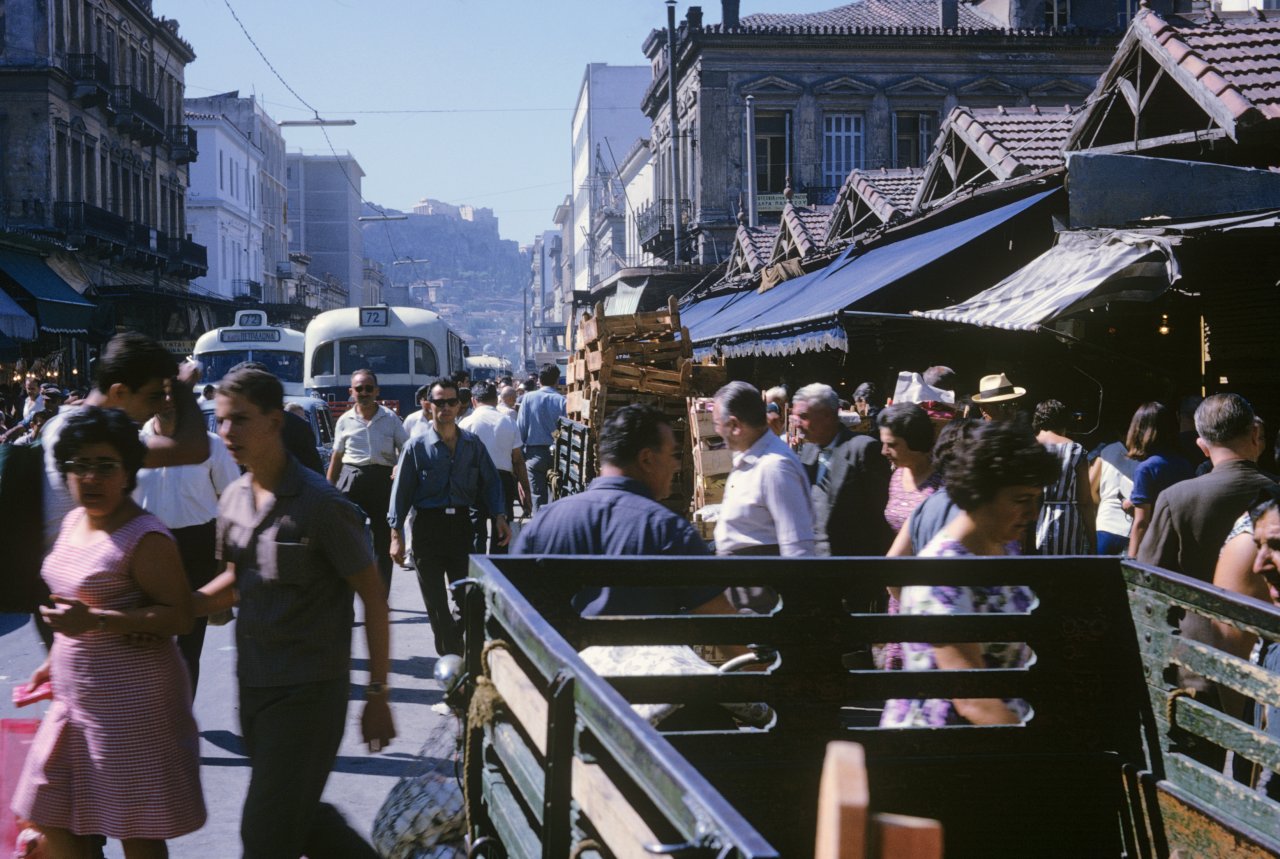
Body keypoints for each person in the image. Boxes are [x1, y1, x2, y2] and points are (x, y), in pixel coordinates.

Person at [196, 366, 394, 859]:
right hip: (255, 690)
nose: (227, 432)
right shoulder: (235, 498)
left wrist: (377, 693)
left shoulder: (321, 504)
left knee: (264, 835)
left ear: (274, 422)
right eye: (221, 420)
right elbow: (235, 582)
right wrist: (180, 605)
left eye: (240, 419)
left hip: (309, 694)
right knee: (298, 817)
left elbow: (373, 596)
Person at [13, 408, 205, 856]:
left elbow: (180, 617)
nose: (90, 477)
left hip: (132, 708)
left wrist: (100, 621)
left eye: (104, 465)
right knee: (46, 811)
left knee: (136, 830)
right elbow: (72, 604)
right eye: (80, 465)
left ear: (128, 471)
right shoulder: (73, 522)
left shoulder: (145, 537)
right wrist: (53, 661)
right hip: (75, 700)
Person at [881, 421, 1058, 728]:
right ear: (980, 494)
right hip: (943, 744)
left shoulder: (1002, 549)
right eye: (1021, 500)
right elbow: (973, 700)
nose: (1033, 514)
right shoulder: (942, 577)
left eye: (1035, 499)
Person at [513, 404, 730, 614]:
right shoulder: (669, 531)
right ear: (646, 459)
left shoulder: (544, 522)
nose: (676, 465)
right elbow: (721, 620)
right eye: (672, 455)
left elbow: (512, 605)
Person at [42, 332, 209, 551]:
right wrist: (181, 388)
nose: (161, 406)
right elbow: (194, 449)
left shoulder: (62, 422)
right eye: (154, 396)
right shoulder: (96, 434)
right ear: (119, 392)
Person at [389, 377, 510, 656]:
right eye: (439, 402)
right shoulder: (416, 447)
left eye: (451, 402)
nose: (445, 407)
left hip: (461, 528)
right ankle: (452, 658)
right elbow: (401, 492)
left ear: (459, 406)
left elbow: (491, 482)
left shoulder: (472, 445)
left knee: (467, 599)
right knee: (436, 604)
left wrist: (500, 516)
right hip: (427, 529)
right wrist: (396, 535)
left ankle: (451, 646)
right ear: (428, 405)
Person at [133, 385, 240, 694]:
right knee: (148, 641)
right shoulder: (133, 445)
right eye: (160, 394)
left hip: (197, 549)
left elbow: (233, 500)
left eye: (174, 395)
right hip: (147, 549)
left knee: (188, 646)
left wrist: (228, 561)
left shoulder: (210, 446)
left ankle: (181, 713)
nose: (168, 402)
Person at [328, 369, 408, 595]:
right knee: (348, 541)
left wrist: (398, 466)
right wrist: (327, 490)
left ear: (377, 391)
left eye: (368, 388)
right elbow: (337, 458)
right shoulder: (344, 421)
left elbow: (405, 449)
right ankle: (346, 597)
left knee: (382, 542)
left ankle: (380, 597)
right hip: (352, 481)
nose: (364, 393)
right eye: (359, 388)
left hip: (382, 482)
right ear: (351, 391)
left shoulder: (390, 418)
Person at [714, 381, 815, 558]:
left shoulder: (775, 467)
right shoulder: (750, 459)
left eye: (717, 423)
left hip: (758, 573)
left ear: (735, 425)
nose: (716, 431)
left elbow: (797, 547)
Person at [793, 383, 890, 557]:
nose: (798, 424)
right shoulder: (807, 452)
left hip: (850, 562)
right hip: (811, 559)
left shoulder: (863, 450)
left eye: (804, 416)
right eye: (796, 417)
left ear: (827, 415)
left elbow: (880, 515)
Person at [459, 380, 531, 551]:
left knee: (476, 529)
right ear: (495, 400)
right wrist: (525, 489)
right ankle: (497, 564)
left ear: (473, 400)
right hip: (503, 480)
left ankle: (476, 564)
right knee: (502, 529)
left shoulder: (465, 424)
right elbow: (518, 460)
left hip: (474, 480)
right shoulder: (508, 422)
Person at [1124, 402, 1194, 558]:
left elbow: (1142, 522)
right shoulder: (1184, 464)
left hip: (1155, 547)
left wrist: (1132, 559)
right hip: (1180, 547)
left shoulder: (1146, 469)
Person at [1032, 399, 1094, 555]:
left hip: (1034, 522)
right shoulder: (1076, 450)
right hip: (1069, 524)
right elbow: (1085, 500)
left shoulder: (1029, 447)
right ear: (1064, 423)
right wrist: (1093, 540)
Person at [878, 403, 942, 536]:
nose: (884, 451)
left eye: (892, 445)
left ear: (914, 440)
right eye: (883, 443)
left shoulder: (943, 480)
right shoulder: (897, 476)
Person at [516, 363, 566, 512]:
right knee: (556, 495)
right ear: (557, 380)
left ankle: (539, 523)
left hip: (534, 456)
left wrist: (520, 457)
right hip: (557, 456)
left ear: (539, 380)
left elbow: (521, 429)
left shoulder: (528, 398)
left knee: (537, 497)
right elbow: (564, 431)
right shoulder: (562, 401)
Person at [1090, 433, 1138, 555]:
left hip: (1105, 523)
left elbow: (1090, 488)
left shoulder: (1105, 451)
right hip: (1132, 528)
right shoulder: (1146, 456)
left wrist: (1104, 503)